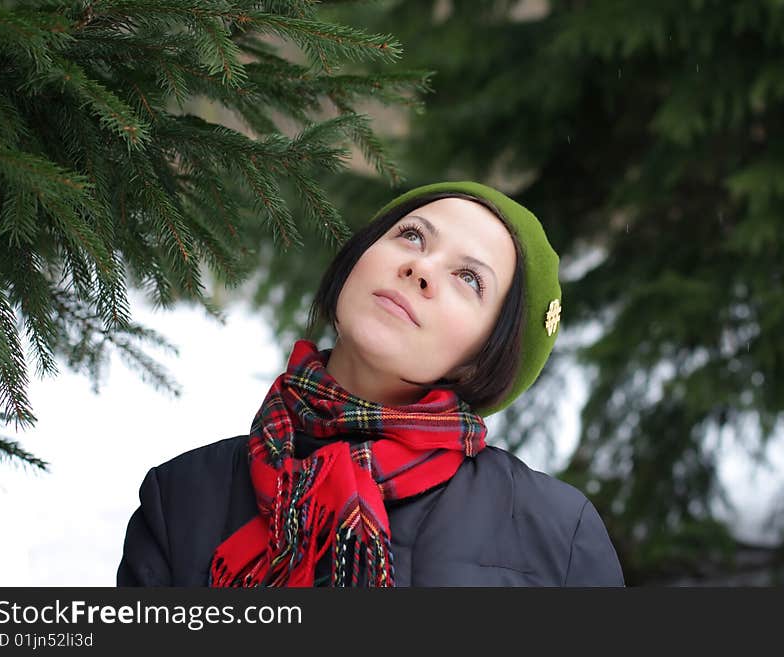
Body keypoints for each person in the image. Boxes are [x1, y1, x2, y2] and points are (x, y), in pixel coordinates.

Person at [116, 181, 625, 587]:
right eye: (412, 236)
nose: (421, 267)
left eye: (469, 278)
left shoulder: (556, 535)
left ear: (485, 357)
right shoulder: (181, 496)